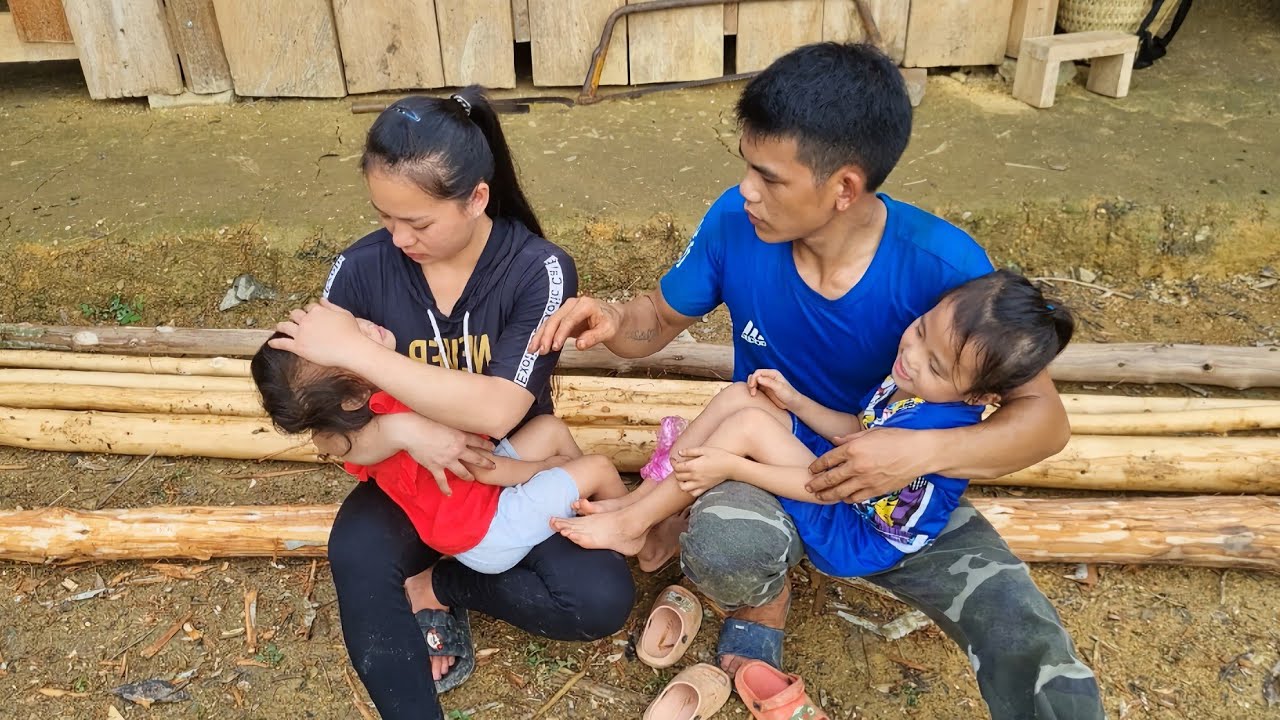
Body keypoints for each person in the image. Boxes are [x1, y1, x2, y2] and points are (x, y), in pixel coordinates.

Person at [530, 44, 1105, 719]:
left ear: (844, 189)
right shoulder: (734, 224)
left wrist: (919, 452)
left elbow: (1045, 421)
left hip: (899, 492)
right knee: (727, 543)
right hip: (773, 454)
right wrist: (612, 319)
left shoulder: (944, 271)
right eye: (745, 166)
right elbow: (651, 321)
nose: (747, 190)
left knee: (1019, 629)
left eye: (769, 177)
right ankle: (760, 594)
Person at [270, 89, 634, 720]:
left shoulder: (536, 270)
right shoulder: (357, 272)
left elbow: (497, 413)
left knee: (598, 601)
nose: (399, 238)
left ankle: (436, 584)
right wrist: (408, 432)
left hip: (504, 470)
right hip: (409, 481)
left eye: (419, 223)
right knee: (355, 552)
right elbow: (326, 434)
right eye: (385, 218)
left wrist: (362, 354)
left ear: (477, 199)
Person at [561, 271, 1073, 584]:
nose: (912, 357)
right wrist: (797, 401)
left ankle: (635, 529)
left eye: (937, 366)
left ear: (978, 396)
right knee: (744, 396)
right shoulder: (913, 384)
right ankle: (642, 505)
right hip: (844, 480)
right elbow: (858, 429)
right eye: (918, 332)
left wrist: (734, 466)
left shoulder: (936, 426)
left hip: (856, 529)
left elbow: (826, 489)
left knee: (745, 433)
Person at [251, 318, 628, 576]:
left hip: (468, 513)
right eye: (346, 346)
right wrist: (545, 469)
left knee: (548, 428)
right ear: (352, 396)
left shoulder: (353, 431)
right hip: (487, 530)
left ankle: (586, 507)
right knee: (598, 467)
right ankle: (636, 537)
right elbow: (482, 465)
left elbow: (331, 443)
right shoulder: (401, 407)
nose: (361, 326)